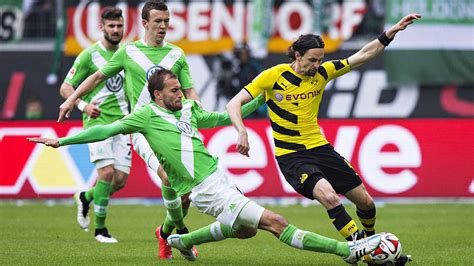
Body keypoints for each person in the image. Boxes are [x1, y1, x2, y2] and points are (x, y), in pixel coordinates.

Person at [28, 68, 382, 264]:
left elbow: (217, 116)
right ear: (157, 95)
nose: (181, 94)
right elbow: (106, 128)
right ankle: (348, 250)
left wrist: (262, 96)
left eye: (181, 88)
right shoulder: (144, 117)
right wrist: (61, 141)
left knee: (245, 231)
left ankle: (183, 239)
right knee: (276, 222)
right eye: (173, 90)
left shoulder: (187, 110)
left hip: (219, 177)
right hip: (202, 189)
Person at [226, 13, 421, 265]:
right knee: (329, 197)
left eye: (321, 59)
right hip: (292, 156)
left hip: (321, 149)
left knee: (367, 204)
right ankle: (367, 254)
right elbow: (234, 104)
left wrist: (390, 33)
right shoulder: (273, 76)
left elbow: (362, 55)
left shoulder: (322, 73)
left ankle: (374, 246)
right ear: (297, 56)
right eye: (312, 60)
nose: (317, 65)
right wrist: (241, 131)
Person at [57, 0, 199, 257]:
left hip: (172, 129)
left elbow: (189, 91)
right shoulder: (127, 53)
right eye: (158, 21)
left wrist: (196, 112)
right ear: (145, 23)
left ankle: (165, 233)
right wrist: (73, 101)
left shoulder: (177, 54)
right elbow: (97, 77)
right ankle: (180, 234)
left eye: (167, 21)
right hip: (140, 128)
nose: (164, 26)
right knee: (156, 176)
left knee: (181, 192)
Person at [59, 6, 129, 243]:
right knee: (106, 173)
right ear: (102, 27)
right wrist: (83, 105)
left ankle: (86, 197)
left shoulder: (128, 53)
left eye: (119, 26)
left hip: (122, 124)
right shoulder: (89, 55)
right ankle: (101, 230)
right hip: (96, 123)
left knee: (119, 180)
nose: (116, 30)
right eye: (111, 26)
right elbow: (65, 88)